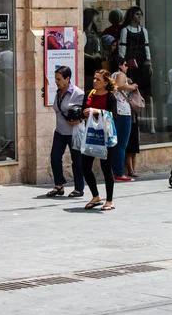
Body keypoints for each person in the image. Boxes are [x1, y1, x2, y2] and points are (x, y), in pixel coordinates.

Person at [46, 66, 86, 197]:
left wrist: (78, 120)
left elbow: (86, 112)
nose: (56, 82)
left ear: (67, 78)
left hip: (74, 132)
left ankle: (79, 188)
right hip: (60, 131)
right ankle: (59, 186)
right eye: (55, 79)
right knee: (55, 157)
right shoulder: (58, 92)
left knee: (77, 161)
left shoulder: (78, 94)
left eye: (59, 79)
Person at [82, 69, 118, 211]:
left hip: (105, 136)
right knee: (85, 165)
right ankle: (95, 196)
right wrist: (85, 112)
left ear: (105, 82)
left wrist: (97, 111)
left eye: (98, 79)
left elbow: (113, 115)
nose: (94, 81)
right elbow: (83, 109)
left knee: (106, 167)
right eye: (94, 78)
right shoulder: (89, 94)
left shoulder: (110, 97)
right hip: (90, 134)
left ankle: (109, 200)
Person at [118, 6, 155, 133]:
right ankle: (135, 124)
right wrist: (122, 64)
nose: (139, 17)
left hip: (142, 64)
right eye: (137, 14)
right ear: (132, 15)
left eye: (140, 14)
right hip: (131, 65)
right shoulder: (125, 31)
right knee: (133, 93)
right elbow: (122, 48)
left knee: (148, 94)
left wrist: (149, 62)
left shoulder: (143, 30)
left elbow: (147, 47)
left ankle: (151, 125)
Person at [110, 57, 137, 181]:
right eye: (125, 65)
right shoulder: (120, 74)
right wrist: (132, 87)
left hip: (116, 111)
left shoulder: (114, 74)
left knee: (116, 143)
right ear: (120, 65)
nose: (127, 67)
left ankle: (114, 170)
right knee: (122, 144)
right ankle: (119, 172)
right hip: (123, 111)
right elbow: (119, 85)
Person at [83, 8, 103, 92]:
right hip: (89, 63)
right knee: (90, 85)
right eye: (95, 16)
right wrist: (92, 56)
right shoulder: (84, 33)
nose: (97, 18)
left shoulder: (94, 31)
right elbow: (80, 51)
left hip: (97, 63)